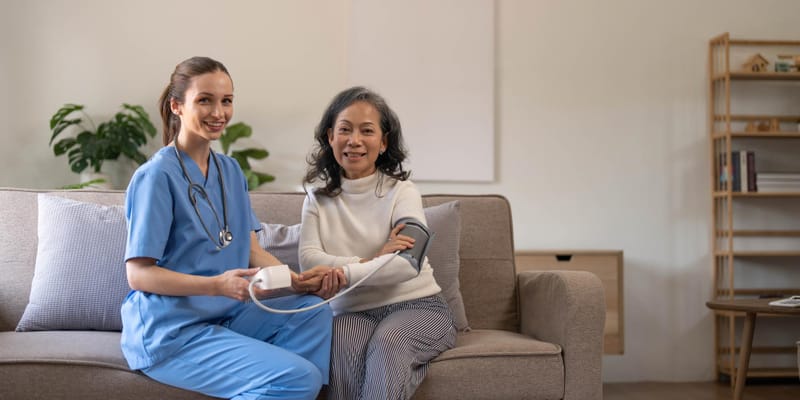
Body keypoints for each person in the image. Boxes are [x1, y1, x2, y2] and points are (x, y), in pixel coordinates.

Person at [121, 56, 336, 400]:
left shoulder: (230, 171)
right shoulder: (156, 177)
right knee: (298, 378)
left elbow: (251, 251)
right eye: (204, 100)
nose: (218, 112)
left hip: (227, 316)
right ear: (177, 106)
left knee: (312, 313)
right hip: (172, 331)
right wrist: (216, 286)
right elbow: (139, 275)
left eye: (226, 100)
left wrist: (295, 281)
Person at [299, 86, 457, 400]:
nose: (354, 140)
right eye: (344, 130)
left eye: (367, 131)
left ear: (383, 142)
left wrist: (343, 274)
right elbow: (309, 262)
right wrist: (371, 260)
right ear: (330, 137)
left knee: (389, 344)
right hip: (352, 310)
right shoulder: (316, 199)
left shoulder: (403, 191)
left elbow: (408, 263)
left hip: (419, 305)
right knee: (341, 347)